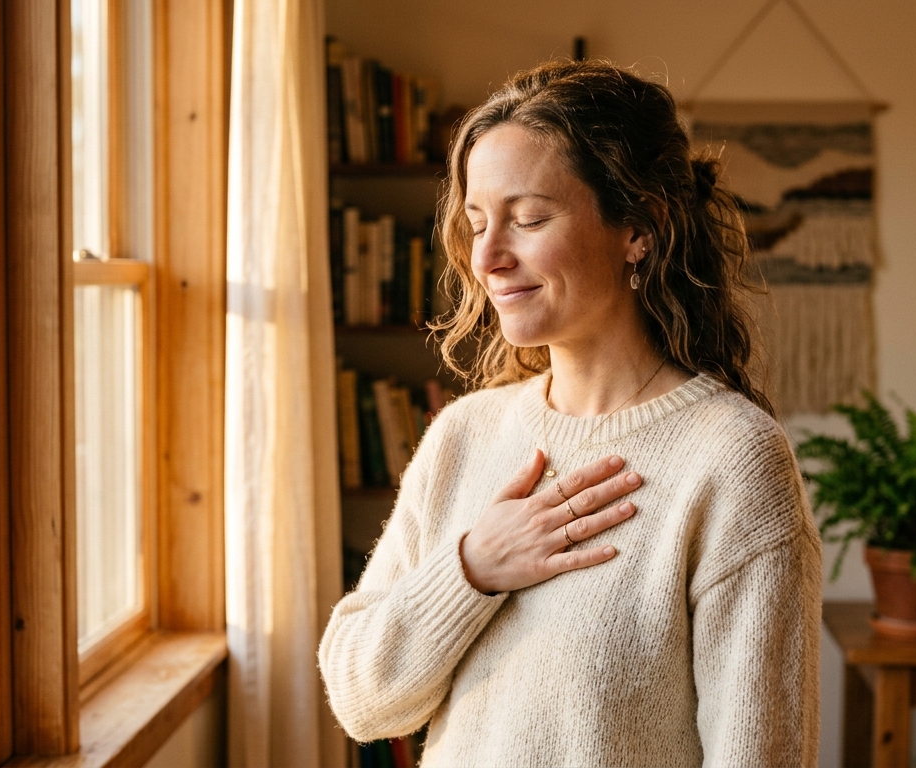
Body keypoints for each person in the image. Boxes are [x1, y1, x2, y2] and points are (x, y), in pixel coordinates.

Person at [318, 59, 822, 767]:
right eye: (476, 223)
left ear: (640, 227)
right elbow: (361, 702)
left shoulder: (732, 459)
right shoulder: (464, 434)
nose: (488, 257)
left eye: (528, 219)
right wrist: (471, 569)